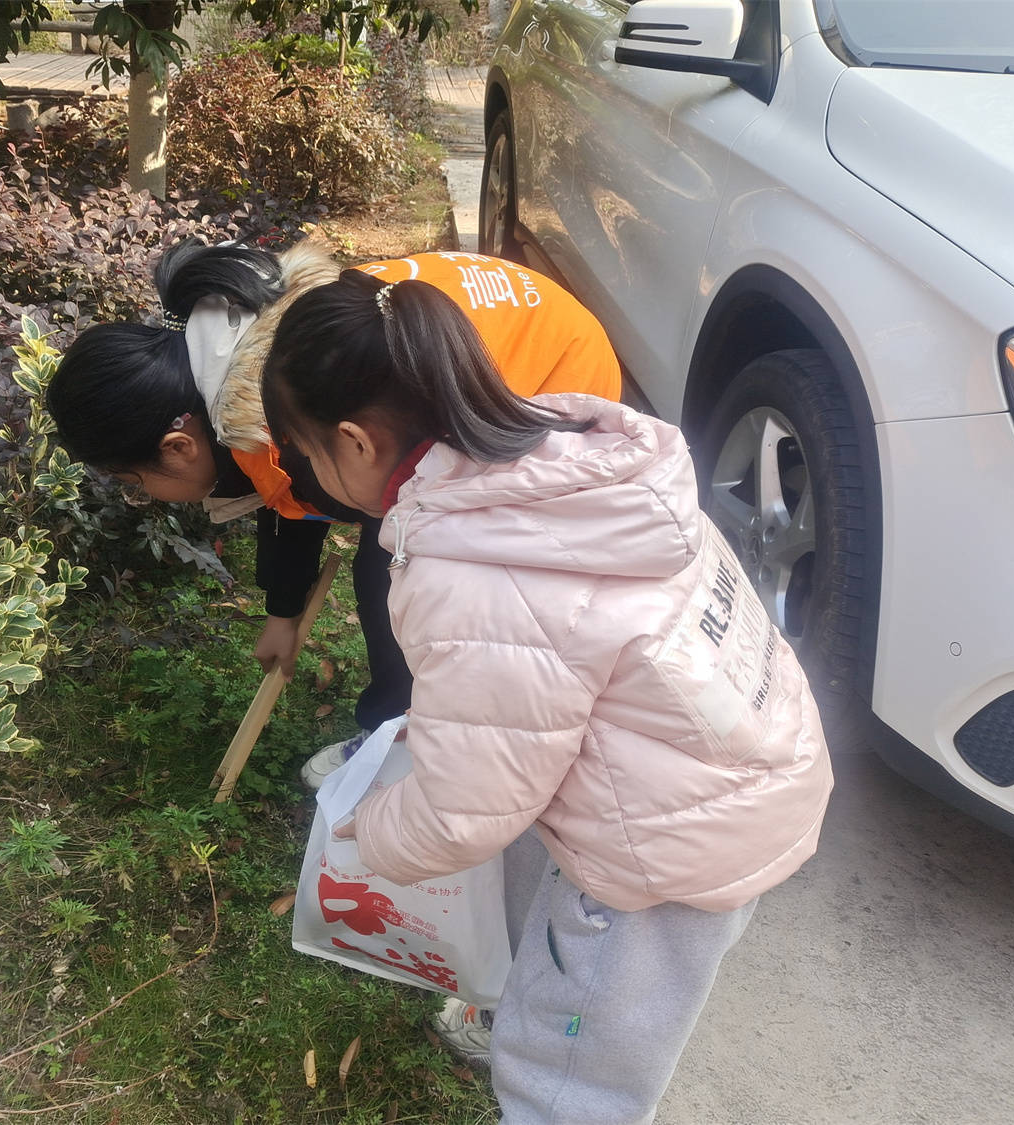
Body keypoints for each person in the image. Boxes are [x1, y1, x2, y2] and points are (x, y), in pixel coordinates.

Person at [260, 271, 834, 1123]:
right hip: (734, 771)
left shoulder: (467, 565)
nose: (305, 474)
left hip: (656, 859)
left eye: (303, 455)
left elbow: (466, 811)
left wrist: (364, 830)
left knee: (571, 1074)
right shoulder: (565, 462)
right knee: (571, 973)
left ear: (352, 442)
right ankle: (520, 1008)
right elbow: (527, 697)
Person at [45, 241, 621, 793]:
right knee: (393, 554)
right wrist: (284, 612)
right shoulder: (230, 364)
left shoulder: (277, 416)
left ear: (178, 447)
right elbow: (292, 499)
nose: (142, 496)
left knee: (424, 575)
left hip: (547, 376)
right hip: (515, 330)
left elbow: (323, 504)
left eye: (134, 485)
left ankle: (418, 743)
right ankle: (403, 721)